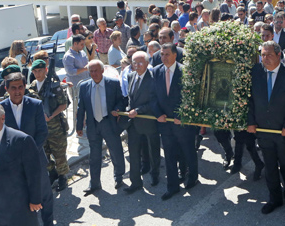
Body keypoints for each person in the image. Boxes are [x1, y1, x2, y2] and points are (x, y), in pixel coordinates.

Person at [247, 41, 285, 214]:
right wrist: (251, 121)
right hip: (264, 131)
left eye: (269, 55)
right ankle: (275, 198)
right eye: (263, 55)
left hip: (284, 132)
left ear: (279, 55)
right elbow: (249, 100)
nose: (265, 58)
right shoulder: (255, 72)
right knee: (270, 166)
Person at [1, 72, 54, 226]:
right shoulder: (0, 109)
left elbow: (42, 132)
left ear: (25, 87)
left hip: (35, 159)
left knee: (44, 194)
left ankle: (48, 225)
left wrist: (29, 153)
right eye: (14, 88)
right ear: (6, 89)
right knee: (14, 198)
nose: (18, 91)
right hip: (12, 162)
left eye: (21, 87)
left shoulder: (35, 105)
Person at [152, 43, 199, 200]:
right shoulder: (156, 71)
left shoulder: (185, 71)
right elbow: (152, 96)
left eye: (166, 54)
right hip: (165, 123)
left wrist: (183, 114)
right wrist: (158, 113)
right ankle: (172, 186)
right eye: (161, 55)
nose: (163, 57)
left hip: (182, 122)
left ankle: (192, 177)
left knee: (188, 150)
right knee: (169, 154)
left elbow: (191, 96)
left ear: (174, 55)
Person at [77, 60, 126, 195]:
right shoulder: (84, 86)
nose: (94, 74)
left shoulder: (113, 84)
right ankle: (94, 183)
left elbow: (121, 101)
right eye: (91, 71)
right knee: (94, 155)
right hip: (93, 125)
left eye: (96, 71)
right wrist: (79, 126)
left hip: (108, 123)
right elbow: (80, 108)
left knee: (115, 150)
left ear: (102, 70)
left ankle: (119, 177)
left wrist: (118, 109)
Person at [120, 52, 161, 192]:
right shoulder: (131, 76)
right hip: (133, 124)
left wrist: (138, 110)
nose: (136, 66)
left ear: (147, 63)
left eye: (140, 63)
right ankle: (135, 182)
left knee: (153, 150)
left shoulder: (153, 79)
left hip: (149, 122)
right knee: (134, 153)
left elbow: (154, 103)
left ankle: (155, 175)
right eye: (134, 63)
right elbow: (130, 100)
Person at [27, 59, 70, 192]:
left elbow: (64, 104)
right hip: (40, 128)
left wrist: (51, 116)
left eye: (40, 70)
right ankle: (52, 173)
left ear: (45, 70)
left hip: (55, 126)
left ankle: (63, 177)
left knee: (59, 152)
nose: (37, 73)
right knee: (44, 153)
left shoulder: (53, 85)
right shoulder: (32, 86)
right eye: (34, 71)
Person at [63, 34, 90, 106]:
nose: (83, 46)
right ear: (75, 44)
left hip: (86, 84)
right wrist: (84, 69)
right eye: (81, 44)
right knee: (78, 108)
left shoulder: (83, 53)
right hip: (75, 87)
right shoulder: (68, 56)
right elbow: (70, 71)